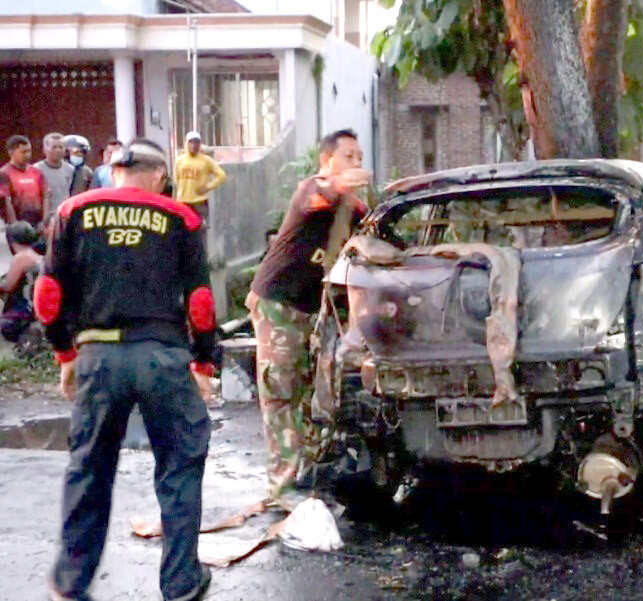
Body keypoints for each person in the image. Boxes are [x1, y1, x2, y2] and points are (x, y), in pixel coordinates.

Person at [36, 138, 216, 601]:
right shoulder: (181, 217)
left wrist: (65, 356)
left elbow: (48, 295)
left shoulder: (72, 212)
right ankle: (180, 584)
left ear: (113, 171)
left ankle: (71, 584)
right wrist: (204, 363)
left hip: (98, 357)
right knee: (179, 466)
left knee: (90, 468)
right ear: (159, 176)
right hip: (163, 356)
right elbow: (199, 302)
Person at [247, 128, 370, 499]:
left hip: (311, 312)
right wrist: (343, 183)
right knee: (280, 392)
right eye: (348, 156)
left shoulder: (355, 211)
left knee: (305, 393)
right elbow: (325, 194)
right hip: (279, 304)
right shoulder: (312, 191)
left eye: (359, 157)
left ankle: (303, 474)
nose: (356, 164)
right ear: (326, 160)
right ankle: (281, 487)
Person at [0, 221, 42, 342]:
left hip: (29, 307)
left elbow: (8, 286)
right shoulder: (35, 255)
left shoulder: (22, 257)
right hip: (36, 304)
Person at [173, 131, 226, 223]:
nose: (194, 145)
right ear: (186, 143)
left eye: (197, 142)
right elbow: (176, 180)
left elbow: (221, 175)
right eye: (191, 142)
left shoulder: (206, 160)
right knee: (182, 232)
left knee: (201, 231)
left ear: (200, 144)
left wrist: (207, 187)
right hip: (183, 202)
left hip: (199, 203)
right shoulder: (179, 160)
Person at [1, 135, 47, 227]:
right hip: (17, 222)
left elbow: (46, 196)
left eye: (29, 151)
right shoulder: (4, 173)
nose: (27, 155)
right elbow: (6, 200)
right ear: (11, 152)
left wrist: (44, 221)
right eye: (23, 152)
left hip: (37, 222)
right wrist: (15, 225)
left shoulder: (37, 172)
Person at [34, 132, 74, 225]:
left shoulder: (70, 169)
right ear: (45, 149)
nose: (58, 150)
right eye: (54, 147)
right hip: (45, 219)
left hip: (65, 217)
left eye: (61, 147)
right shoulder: (36, 170)